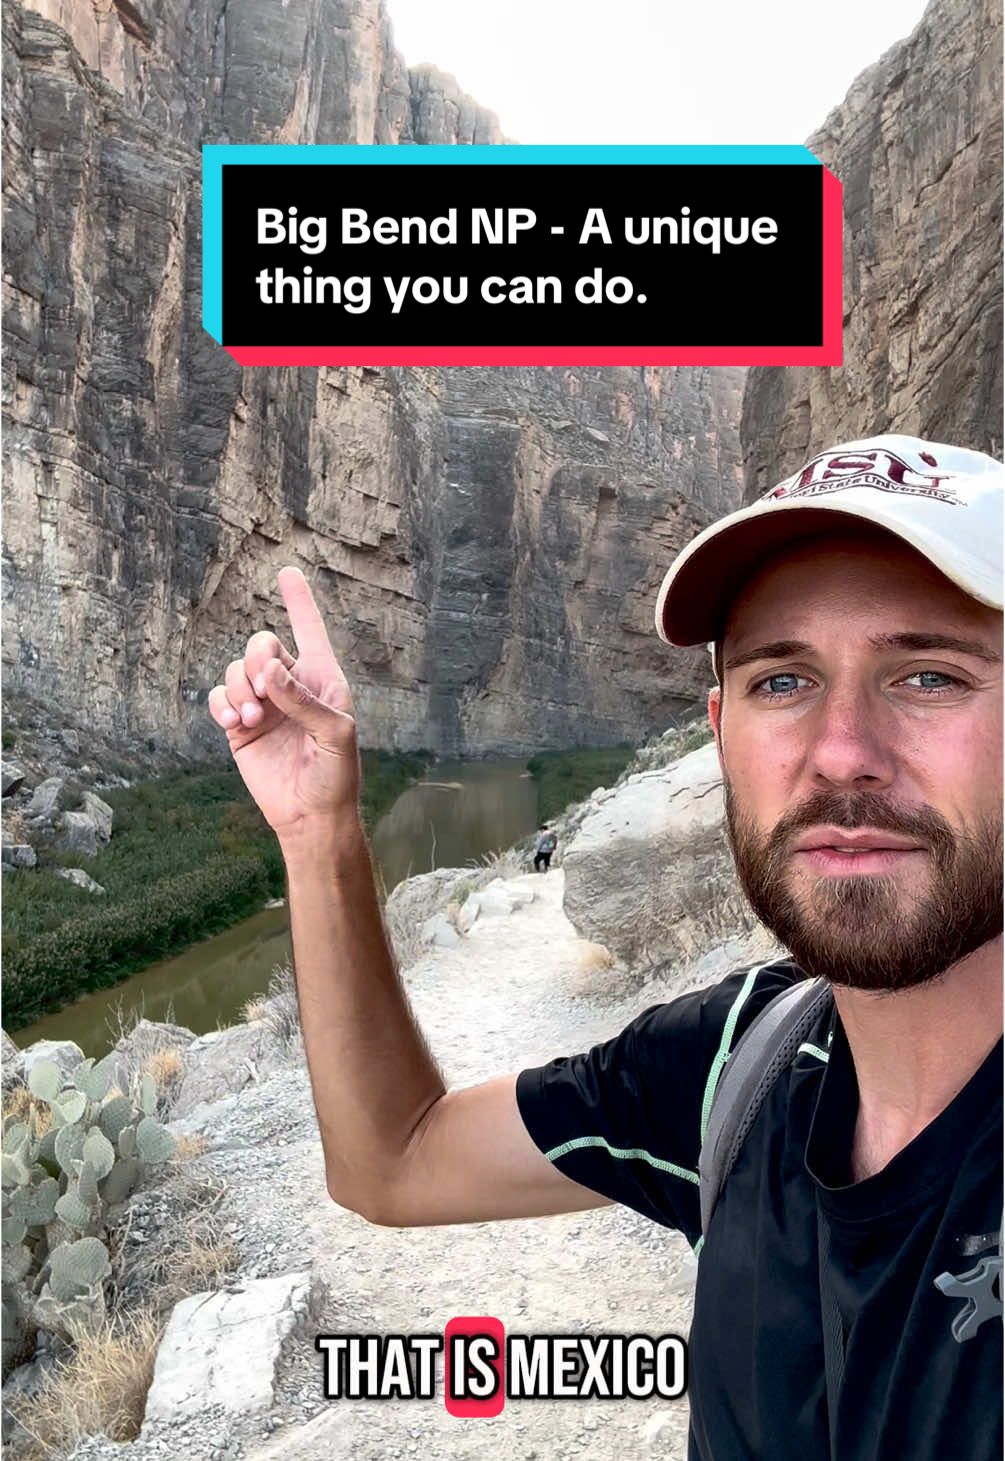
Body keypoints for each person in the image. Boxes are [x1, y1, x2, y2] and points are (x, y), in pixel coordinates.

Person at [208, 435, 1003, 1460]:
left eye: (929, 676)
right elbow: (393, 1163)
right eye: (781, 681)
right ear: (719, 731)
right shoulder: (735, 1067)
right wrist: (321, 837)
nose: (842, 750)